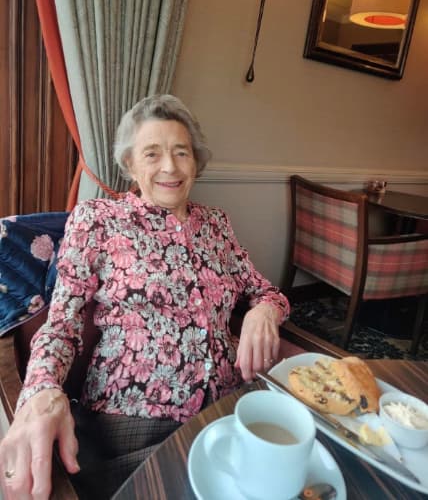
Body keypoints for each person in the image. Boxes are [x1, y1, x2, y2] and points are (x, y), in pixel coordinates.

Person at [0, 94, 289, 499]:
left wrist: (263, 311)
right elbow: (62, 325)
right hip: (135, 417)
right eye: (152, 154)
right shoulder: (99, 220)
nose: (169, 166)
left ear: (196, 163)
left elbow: (267, 291)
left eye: (181, 153)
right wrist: (42, 390)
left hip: (228, 404)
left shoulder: (216, 225)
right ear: (130, 165)